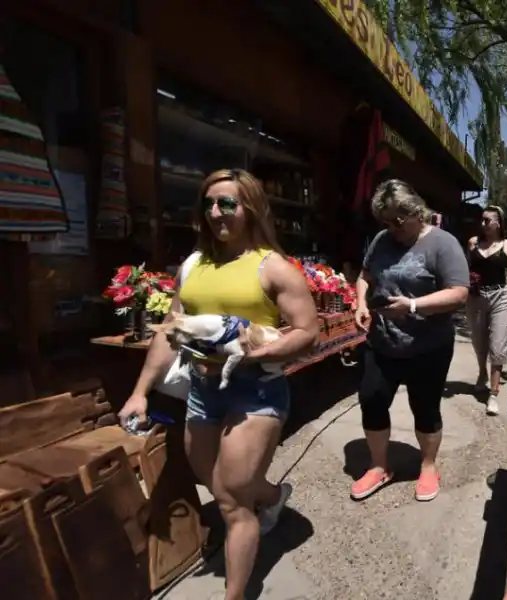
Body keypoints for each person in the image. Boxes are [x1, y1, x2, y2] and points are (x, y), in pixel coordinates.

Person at [117, 169, 319, 600]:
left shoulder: (273, 267)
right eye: (209, 203)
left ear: (250, 208)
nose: (215, 212)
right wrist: (140, 392)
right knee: (221, 484)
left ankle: (234, 594)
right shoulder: (193, 266)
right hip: (202, 390)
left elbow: (307, 331)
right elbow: (172, 329)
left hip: (256, 390)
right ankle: (272, 494)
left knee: (231, 502)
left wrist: (260, 353)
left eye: (227, 203)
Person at [351, 179, 469, 502]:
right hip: (383, 342)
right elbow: (365, 276)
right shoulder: (381, 241)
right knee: (372, 398)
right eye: (385, 222)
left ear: (417, 212)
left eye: (397, 221)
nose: (392, 229)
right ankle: (379, 466)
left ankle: (428, 465)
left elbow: (459, 293)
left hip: (428, 346)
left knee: (425, 408)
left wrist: (413, 306)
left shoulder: (443, 244)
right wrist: (361, 303)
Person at [466, 206, 507, 414]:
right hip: (476, 298)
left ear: (498, 223)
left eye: (487, 220)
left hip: (500, 297)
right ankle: (482, 373)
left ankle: (493, 394)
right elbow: (464, 269)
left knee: (497, 347)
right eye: (482, 220)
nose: (483, 224)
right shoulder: (472, 243)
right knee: (479, 343)